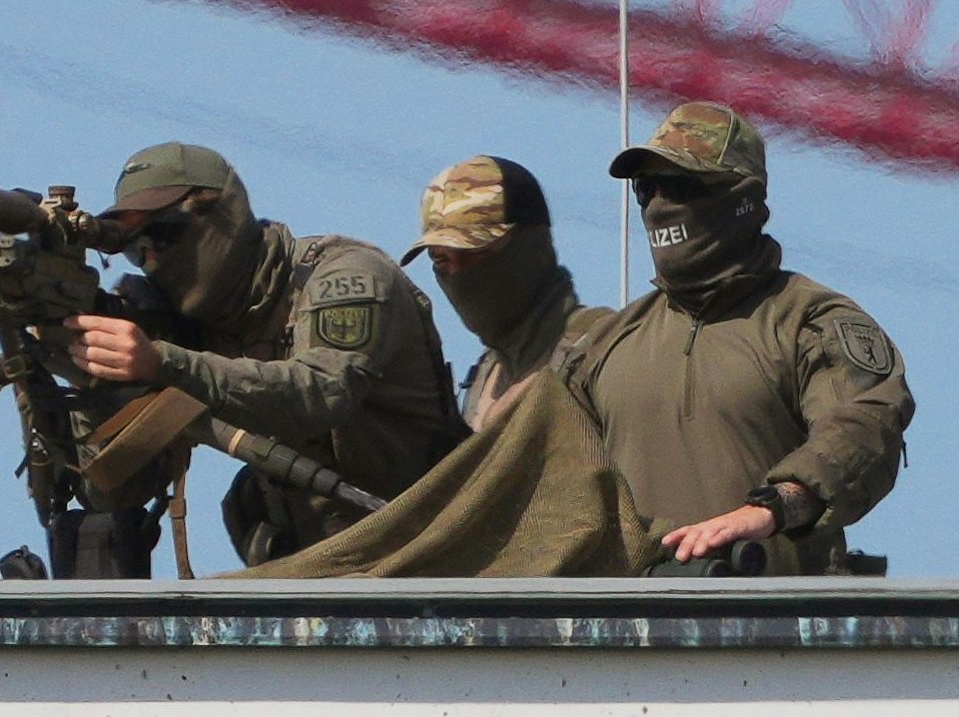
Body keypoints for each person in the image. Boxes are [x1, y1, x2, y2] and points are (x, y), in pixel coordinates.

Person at [65, 142, 466, 566]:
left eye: (163, 234)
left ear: (224, 215)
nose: (152, 260)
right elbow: (113, 492)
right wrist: (94, 381)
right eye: (136, 250)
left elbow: (320, 392)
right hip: (320, 571)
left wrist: (164, 363)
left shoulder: (345, 276)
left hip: (437, 550)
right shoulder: (191, 327)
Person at [568, 102, 914, 575]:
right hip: (634, 619)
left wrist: (773, 508)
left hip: (779, 617)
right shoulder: (605, 345)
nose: (659, 205)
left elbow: (865, 426)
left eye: (681, 186)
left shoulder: (808, 322)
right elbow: (546, 480)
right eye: (645, 189)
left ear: (742, 199)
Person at [398, 155, 611, 431]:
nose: (458, 273)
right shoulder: (484, 375)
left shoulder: (600, 351)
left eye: (474, 252)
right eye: (440, 259)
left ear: (531, 246)